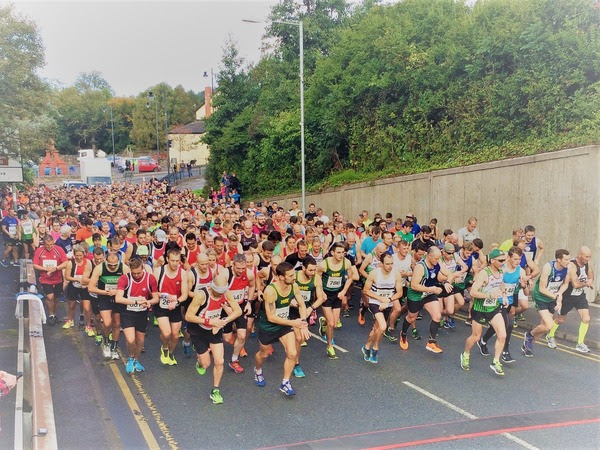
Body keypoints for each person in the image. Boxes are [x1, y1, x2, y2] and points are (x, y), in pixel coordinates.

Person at [253, 262, 310, 396]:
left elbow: (302, 305)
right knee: (264, 354)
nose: (294, 277)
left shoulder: (294, 286)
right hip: (268, 326)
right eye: (290, 275)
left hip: (284, 325)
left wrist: (303, 323)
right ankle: (258, 370)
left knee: (292, 353)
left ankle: (285, 382)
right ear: (280, 277)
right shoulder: (271, 291)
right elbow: (271, 317)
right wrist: (293, 322)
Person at [185, 275, 242, 404]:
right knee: (205, 364)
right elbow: (188, 316)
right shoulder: (201, 295)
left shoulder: (226, 293)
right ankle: (200, 360)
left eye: (223, 292)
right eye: (219, 292)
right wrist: (210, 321)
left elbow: (238, 311)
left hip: (214, 329)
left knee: (219, 361)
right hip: (198, 330)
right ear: (212, 287)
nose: (221, 294)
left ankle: (215, 390)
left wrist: (223, 321)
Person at [522, 249, 581, 357]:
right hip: (540, 297)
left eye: (569, 259)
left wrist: (559, 294)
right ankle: (529, 335)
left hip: (552, 298)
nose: (569, 261)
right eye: (566, 259)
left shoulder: (569, 268)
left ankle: (528, 342)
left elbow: (565, 284)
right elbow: (541, 288)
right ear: (558, 259)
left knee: (542, 329)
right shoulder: (548, 267)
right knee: (549, 325)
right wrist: (557, 297)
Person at [460, 249, 509, 376]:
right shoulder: (484, 273)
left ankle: (496, 361)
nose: (503, 263)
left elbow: (501, 283)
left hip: (494, 308)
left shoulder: (501, 270)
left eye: (504, 260)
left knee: (502, 335)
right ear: (492, 261)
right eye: (500, 260)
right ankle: (465, 354)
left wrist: (503, 295)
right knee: (476, 337)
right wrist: (489, 295)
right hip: (480, 309)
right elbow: (473, 292)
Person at [399, 247, 452, 354]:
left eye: (439, 258)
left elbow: (449, 274)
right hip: (416, 295)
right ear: (429, 256)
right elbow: (414, 285)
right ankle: (403, 333)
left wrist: (447, 282)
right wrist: (431, 289)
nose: (438, 261)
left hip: (429, 294)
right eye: (436, 258)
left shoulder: (437, 263)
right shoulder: (420, 267)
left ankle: (431, 342)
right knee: (411, 317)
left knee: (437, 316)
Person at [545, 246, 594, 353]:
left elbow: (591, 276)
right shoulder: (571, 265)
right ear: (580, 255)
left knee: (586, 318)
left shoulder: (587, 263)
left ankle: (580, 343)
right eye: (586, 257)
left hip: (579, 296)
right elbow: (576, 284)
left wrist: (590, 281)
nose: (588, 259)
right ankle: (550, 334)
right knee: (561, 319)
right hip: (568, 296)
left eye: (589, 257)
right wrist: (586, 283)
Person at [115, 257, 159, 374]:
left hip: (141, 313)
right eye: (134, 273)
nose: (136, 275)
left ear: (143, 268)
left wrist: (148, 302)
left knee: (140, 341)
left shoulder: (150, 279)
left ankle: (136, 360)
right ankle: (130, 357)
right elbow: (118, 298)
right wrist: (135, 302)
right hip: (127, 313)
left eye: (139, 273)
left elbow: (156, 298)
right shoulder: (125, 279)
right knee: (131, 340)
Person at [362, 253, 403, 364]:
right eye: (387, 264)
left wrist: (388, 300)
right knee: (383, 326)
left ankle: (366, 346)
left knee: (377, 329)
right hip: (375, 302)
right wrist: (380, 298)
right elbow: (366, 290)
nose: (390, 266)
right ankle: (375, 349)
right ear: (381, 263)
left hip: (387, 304)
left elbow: (399, 293)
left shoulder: (396, 274)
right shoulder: (374, 273)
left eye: (392, 264)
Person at [318, 242, 356, 359]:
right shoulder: (324, 264)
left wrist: (344, 291)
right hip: (326, 295)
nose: (341, 255)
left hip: (337, 294)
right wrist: (321, 292)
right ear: (332, 253)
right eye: (338, 252)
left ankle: (324, 322)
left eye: (343, 252)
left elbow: (351, 277)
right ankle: (330, 346)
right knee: (332, 323)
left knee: (333, 324)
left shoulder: (347, 263)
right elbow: (317, 277)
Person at [88, 252, 129, 359]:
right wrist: (105, 292)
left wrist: (117, 291)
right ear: (106, 261)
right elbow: (91, 288)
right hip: (104, 297)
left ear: (118, 262)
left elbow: (129, 286)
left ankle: (114, 348)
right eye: (110, 265)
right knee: (107, 323)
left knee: (116, 324)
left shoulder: (124, 268)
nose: (113, 267)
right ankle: (106, 343)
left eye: (115, 265)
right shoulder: (99, 268)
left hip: (117, 298)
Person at [154, 247, 189, 365]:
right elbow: (152, 292)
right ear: (167, 259)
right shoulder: (159, 271)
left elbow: (185, 294)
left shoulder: (183, 273)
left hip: (175, 306)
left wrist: (176, 302)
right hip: (161, 306)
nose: (175, 263)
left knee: (175, 335)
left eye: (177, 261)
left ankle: (171, 352)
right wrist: (164, 295)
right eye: (172, 260)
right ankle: (164, 348)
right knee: (167, 333)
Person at [291, 256, 325, 377]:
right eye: (310, 270)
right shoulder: (294, 276)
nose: (312, 273)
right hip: (291, 309)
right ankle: (293, 360)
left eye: (314, 270)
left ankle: (295, 363)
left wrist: (311, 308)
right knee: (297, 338)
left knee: (299, 339)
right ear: (303, 268)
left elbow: (321, 298)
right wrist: (290, 300)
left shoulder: (316, 278)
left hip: (305, 311)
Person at [223, 254, 256, 374]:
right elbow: (217, 291)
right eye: (238, 268)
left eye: (243, 268)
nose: (241, 271)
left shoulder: (249, 274)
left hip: (240, 305)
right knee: (227, 338)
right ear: (233, 265)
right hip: (226, 306)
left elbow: (252, 286)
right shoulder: (225, 274)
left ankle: (234, 360)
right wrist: (225, 306)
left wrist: (249, 302)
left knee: (242, 335)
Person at [32, 235, 68, 324]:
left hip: (58, 278)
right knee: (50, 297)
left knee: (56, 298)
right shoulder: (39, 251)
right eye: (47, 245)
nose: (50, 247)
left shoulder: (59, 250)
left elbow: (66, 262)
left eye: (51, 245)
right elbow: (35, 265)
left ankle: (54, 314)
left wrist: (56, 268)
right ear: (44, 244)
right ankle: (50, 315)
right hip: (45, 279)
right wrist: (45, 269)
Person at [64, 244, 94, 334]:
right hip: (74, 285)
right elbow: (67, 277)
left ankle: (88, 325)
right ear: (74, 255)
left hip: (84, 287)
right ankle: (70, 320)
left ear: (84, 254)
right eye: (77, 255)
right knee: (71, 305)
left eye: (81, 255)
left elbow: (91, 276)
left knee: (87, 308)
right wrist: (77, 279)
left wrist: (86, 283)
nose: (79, 257)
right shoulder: (70, 263)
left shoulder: (88, 262)